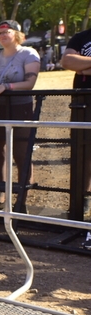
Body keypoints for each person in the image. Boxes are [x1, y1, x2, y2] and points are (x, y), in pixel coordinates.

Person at [0, 20, 40, 210]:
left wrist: (6, 87)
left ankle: (22, 200)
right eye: (0, 32)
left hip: (20, 108)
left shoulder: (28, 54)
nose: (3, 35)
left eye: (7, 32)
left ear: (17, 35)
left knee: (22, 154)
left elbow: (29, 83)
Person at [61, 27, 91, 220]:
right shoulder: (81, 37)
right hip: (84, 104)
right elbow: (67, 61)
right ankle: (83, 199)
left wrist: (83, 66)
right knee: (83, 152)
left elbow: (76, 62)